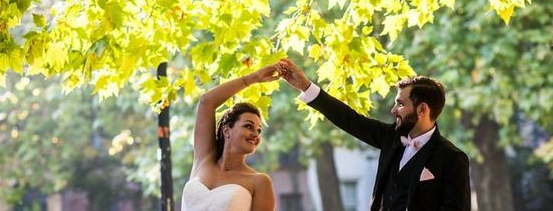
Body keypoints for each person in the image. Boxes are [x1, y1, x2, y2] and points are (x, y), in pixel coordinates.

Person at [277, 58, 471, 211]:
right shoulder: (390, 137)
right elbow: (348, 119)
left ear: (422, 110)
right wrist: (305, 86)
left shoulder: (452, 158)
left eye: (401, 104)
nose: (393, 110)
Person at [182, 64, 279, 211]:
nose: (255, 134)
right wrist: (253, 78)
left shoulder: (260, 182)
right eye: (248, 126)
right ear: (227, 131)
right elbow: (206, 101)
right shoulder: (204, 159)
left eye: (259, 130)